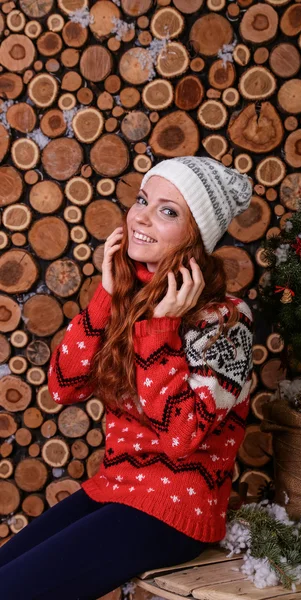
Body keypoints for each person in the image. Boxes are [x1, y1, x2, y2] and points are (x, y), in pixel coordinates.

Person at [0, 156, 254, 600]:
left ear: (196, 236)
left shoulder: (226, 320)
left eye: (167, 210)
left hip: (175, 511)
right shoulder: (127, 296)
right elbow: (63, 386)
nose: (141, 215)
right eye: (142, 200)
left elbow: (182, 436)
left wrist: (161, 331)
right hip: (117, 487)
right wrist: (107, 294)